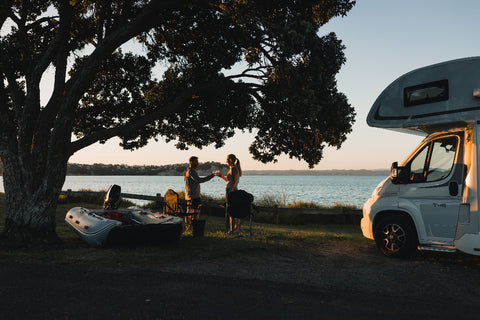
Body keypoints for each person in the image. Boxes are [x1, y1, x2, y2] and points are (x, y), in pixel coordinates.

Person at [183, 156, 215, 231]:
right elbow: (199, 180)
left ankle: (188, 228)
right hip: (194, 196)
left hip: (189, 195)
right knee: (195, 213)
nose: (197, 163)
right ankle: (194, 229)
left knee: (189, 213)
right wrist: (211, 176)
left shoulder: (187, 170)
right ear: (191, 162)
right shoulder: (191, 171)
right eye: (196, 162)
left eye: (197, 161)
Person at [215, 154, 242, 234]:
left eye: (227, 159)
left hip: (231, 190)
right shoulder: (232, 168)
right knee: (233, 211)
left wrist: (231, 191)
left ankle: (233, 230)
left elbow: (233, 182)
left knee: (231, 211)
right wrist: (222, 176)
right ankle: (235, 229)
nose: (226, 161)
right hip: (231, 189)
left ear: (230, 160)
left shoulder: (233, 169)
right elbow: (229, 181)